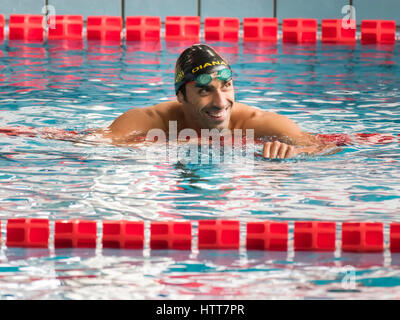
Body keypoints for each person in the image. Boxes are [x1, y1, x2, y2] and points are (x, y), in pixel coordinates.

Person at [99, 44, 339, 159]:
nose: (221, 102)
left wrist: (292, 152)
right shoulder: (150, 120)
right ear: (181, 96)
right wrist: (175, 145)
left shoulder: (259, 123)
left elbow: (326, 148)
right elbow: (96, 147)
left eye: (227, 86)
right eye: (205, 91)